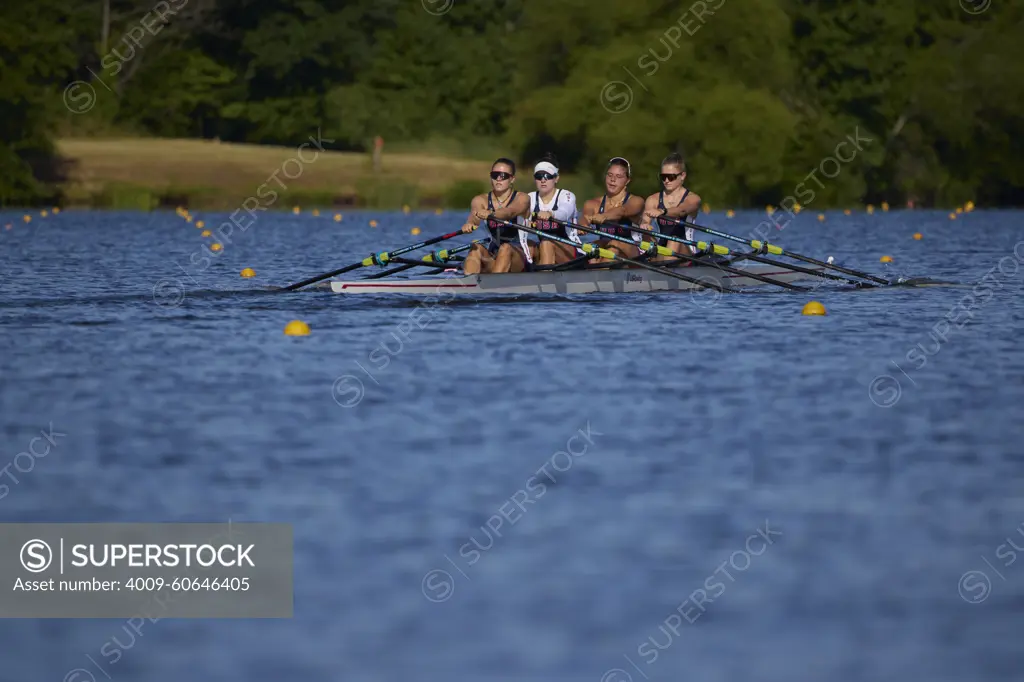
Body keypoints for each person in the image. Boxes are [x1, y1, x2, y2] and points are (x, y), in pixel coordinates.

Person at [460, 158, 531, 274]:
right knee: (475, 247)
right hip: (493, 254)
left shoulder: (522, 198)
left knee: (505, 248)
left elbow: (510, 212)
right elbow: (474, 219)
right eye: (495, 175)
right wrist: (469, 224)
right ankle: (467, 286)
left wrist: (492, 214)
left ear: (512, 179)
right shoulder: (480, 200)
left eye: (503, 176)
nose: (498, 179)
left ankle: (494, 287)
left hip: (519, 256)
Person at [579, 157, 646, 262]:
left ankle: (600, 275)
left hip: (634, 252)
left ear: (627, 180)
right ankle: (595, 274)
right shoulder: (592, 203)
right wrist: (583, 225)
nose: (613, 179)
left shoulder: (636, 201)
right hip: (607, 249)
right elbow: (585, 217)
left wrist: (604, 216)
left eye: (618, 176)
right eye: (610, 175)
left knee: (614, 244)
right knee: (593, 248)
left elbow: (622, 211)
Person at [521, 154, 581, 267]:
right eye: (539, 176)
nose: (543, 180)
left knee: (547, 243)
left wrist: (550, 213)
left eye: (547, 176)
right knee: (527, 245)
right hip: (544, 246)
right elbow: (520, 216)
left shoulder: (566, 195)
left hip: (570, 250)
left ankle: (543, 280)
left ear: (556, 178)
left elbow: (564, 213)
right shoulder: (530, 197)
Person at [640, 152, 702, 262]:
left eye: (671, 177)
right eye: (663, 177)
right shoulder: (653, 199)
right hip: (662, 250)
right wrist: (645, 225)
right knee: (646, 237)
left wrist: (662, 211)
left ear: (682, 176)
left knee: (674, 240)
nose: (666, 181)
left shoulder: (693, 199)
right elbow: (646, 219)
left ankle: (663, 271)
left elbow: (681, 210)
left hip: (685, 254)